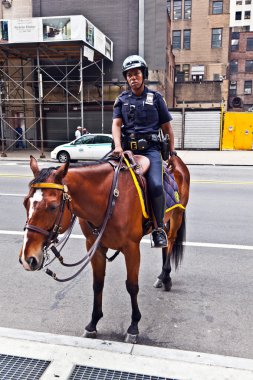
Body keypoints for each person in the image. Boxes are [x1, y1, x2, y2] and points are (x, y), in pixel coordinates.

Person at [112, 55, 176, 248]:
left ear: (143, 75)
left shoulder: (156, 98)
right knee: (109, 181)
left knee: (156, 185)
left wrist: (172, 153)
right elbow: (116, 125)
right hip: (127, 152)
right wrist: (117, 146)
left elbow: (167, 128)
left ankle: (158, 229)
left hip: (151, 151)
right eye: (129, 75)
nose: (133, 78)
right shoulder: (121, 99)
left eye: (136, 74)